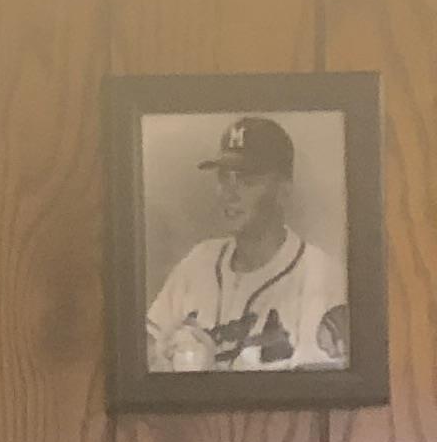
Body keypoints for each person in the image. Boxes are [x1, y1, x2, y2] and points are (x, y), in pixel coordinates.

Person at [143, 113, 349, 373]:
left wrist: (203, 377)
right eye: (224, 177)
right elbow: (144, 353)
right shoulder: (198, 261)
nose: (230, 193)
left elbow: (319, 393)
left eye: (247, 180)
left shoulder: (322, 278)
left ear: (283, 190)